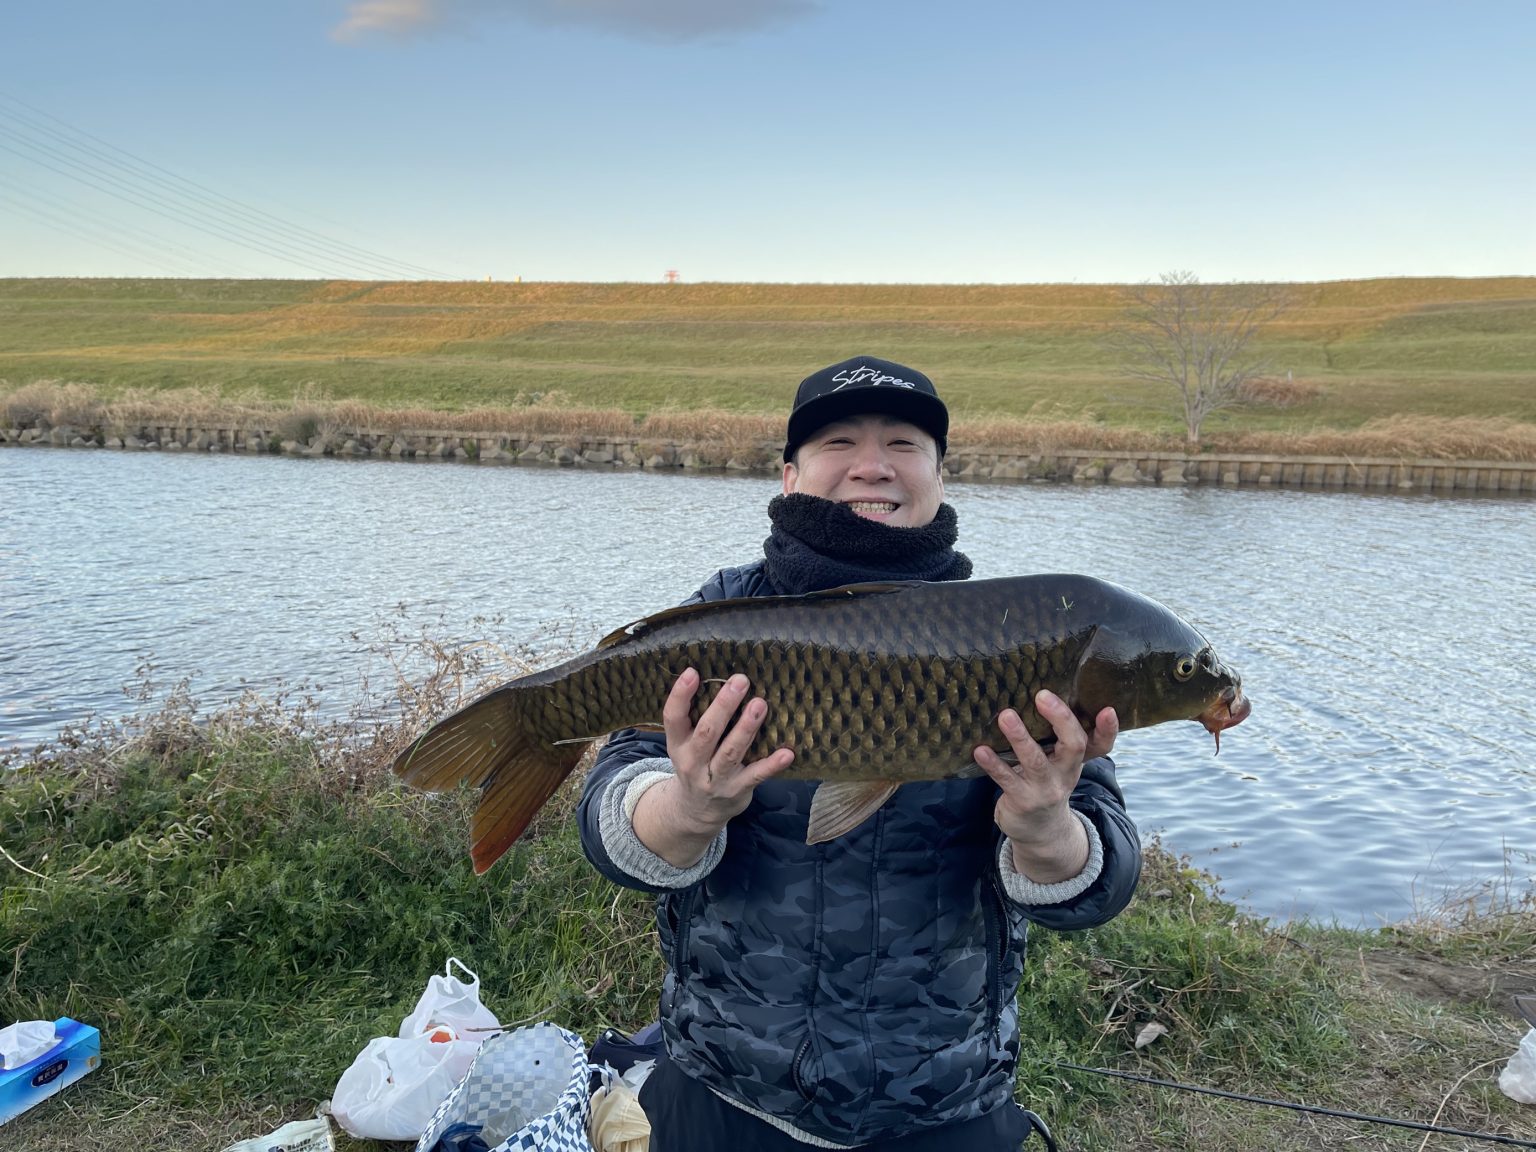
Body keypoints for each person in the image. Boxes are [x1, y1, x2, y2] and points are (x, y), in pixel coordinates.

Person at [577, 355, 1141, 1151]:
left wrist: (1048, 831)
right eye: (839, 441)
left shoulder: (1022, 630)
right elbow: (610, 825)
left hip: (946, 1097)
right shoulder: (719, 617)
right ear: (789, 475)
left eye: (904, 444)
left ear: (941, 476)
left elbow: (1102, 880)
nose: (873, 465)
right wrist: (686, 808)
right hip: (725, 1085)